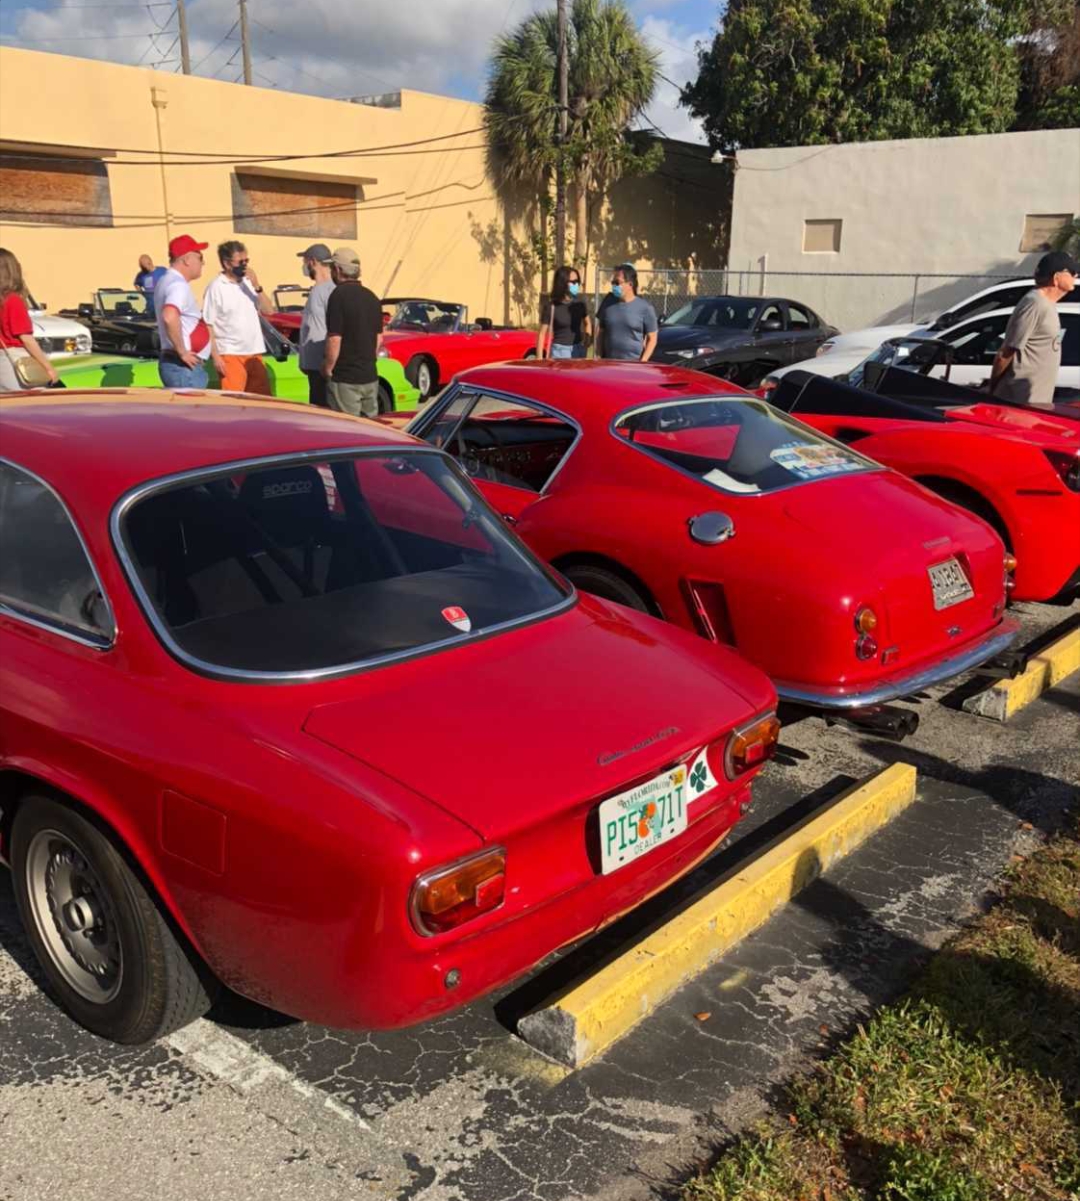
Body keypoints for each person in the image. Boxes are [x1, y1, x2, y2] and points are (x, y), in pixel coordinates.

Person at [989, 250, 1077, 407]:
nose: (1076, 276)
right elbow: (1005, 353)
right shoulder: (1034, 304)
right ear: (1056, 278)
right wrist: (992, 391)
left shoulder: (1047, 304)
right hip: (1019, 402)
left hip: (1035, 403)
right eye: (1072, 272)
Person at [201, 239, 274, 396]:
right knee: (235, 402)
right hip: (231, 354)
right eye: (240, 262)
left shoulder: (248, 283)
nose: (245, 265)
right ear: (227, 264)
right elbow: (208, 324)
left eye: (246, 261)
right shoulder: (216, 287)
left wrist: (257, 285)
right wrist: (216, 357)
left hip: (254, 352)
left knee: (261, 401)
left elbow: (269, 310)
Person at [323, 248, 384, 418]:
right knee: (370, 428)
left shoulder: (338, 296)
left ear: (338, 269)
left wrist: (328, 367)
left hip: (346, 378)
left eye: (331, 268)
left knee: (348, 429)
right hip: (369, 375)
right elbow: (378, 338)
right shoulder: (372, 297)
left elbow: (335, 338)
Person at [155, 233, 212, 389]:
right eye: (199, 257)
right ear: (186, 260)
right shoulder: (177, 285)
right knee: (191, 412)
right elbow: (169, 316)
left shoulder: (166, 281)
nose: (203, 262)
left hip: (179, 365)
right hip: (183, 367)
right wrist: (183, 352)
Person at [0, 248, 58, 390]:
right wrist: (48, 367)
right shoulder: (13, 300)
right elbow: (26, 339)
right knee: (31, 403)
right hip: (12, 359)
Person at [296, 242, 335, 407]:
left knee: (321, 409)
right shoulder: (328, 289)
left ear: (312, 262)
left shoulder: (322, 291)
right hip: (319, 363)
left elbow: (316, 329)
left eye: (304, 262)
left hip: (320, 364)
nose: (304, 267)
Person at [595, 263, 658, 362]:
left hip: (633, 365)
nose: (614, 285)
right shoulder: (608, 301)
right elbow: (600, 331)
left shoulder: (645, 308)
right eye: (613, 282)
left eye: (617, 282)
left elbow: (652, 338)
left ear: (630, 284)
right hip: (608, 363)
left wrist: (643, 361)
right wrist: (598, 355)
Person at [536, 264, 591, 359]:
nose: (576, 284)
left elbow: (588, 323)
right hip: (559, 352)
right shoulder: (551, 306)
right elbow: (542, 334)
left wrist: (586, 344)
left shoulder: (580, 304)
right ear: (563, 283)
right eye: (573, 282)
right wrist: (539, 358)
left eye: (578, 281)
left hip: (577, 350)